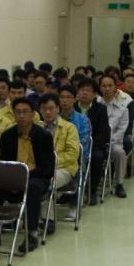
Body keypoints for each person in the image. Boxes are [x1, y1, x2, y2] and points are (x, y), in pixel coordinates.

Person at [0, 96, 55, 253]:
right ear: (13, 114)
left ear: (33, 114)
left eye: (25, 112)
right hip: (13, 177)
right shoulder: (7, 136)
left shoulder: (44, 136)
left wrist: (23, 179)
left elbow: (47, 169)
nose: (21, 115)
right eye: (18, 112)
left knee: (32, 188)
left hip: (37, 178)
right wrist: (14, 180)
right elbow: (5, 164)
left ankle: (32, 234)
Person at [39, 93, 82, 232]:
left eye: (51, 108)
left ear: (58, 108)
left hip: (64, 168)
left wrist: (52, 163)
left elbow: (72, 154)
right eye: (44, 109)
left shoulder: (69, 128)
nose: (48, 112)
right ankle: (32, 216)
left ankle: (48, 219)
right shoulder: (36, 128)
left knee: (48, 181)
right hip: (40, 168)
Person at [74, 78, 111, 204]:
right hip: (73, 144)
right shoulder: (72, 107)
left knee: (97, 157)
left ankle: (92, 190)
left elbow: (104, 133)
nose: (84, 93)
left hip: (93, 144)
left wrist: (88, 143)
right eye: (82, 90)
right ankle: (72, 192)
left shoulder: (100, 109)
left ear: (95, 94)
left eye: (88, 91)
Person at [99, 72, 132, 198]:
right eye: (104, 86)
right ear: (100, 87)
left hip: (113, 143)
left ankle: (119, 184)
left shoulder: (123, 109)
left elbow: (120, 132)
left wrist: (108, 141)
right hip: (96, 142)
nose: (107, 89)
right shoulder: (95, 105)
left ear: (115, 88)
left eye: (110, 86)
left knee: (120, 152)